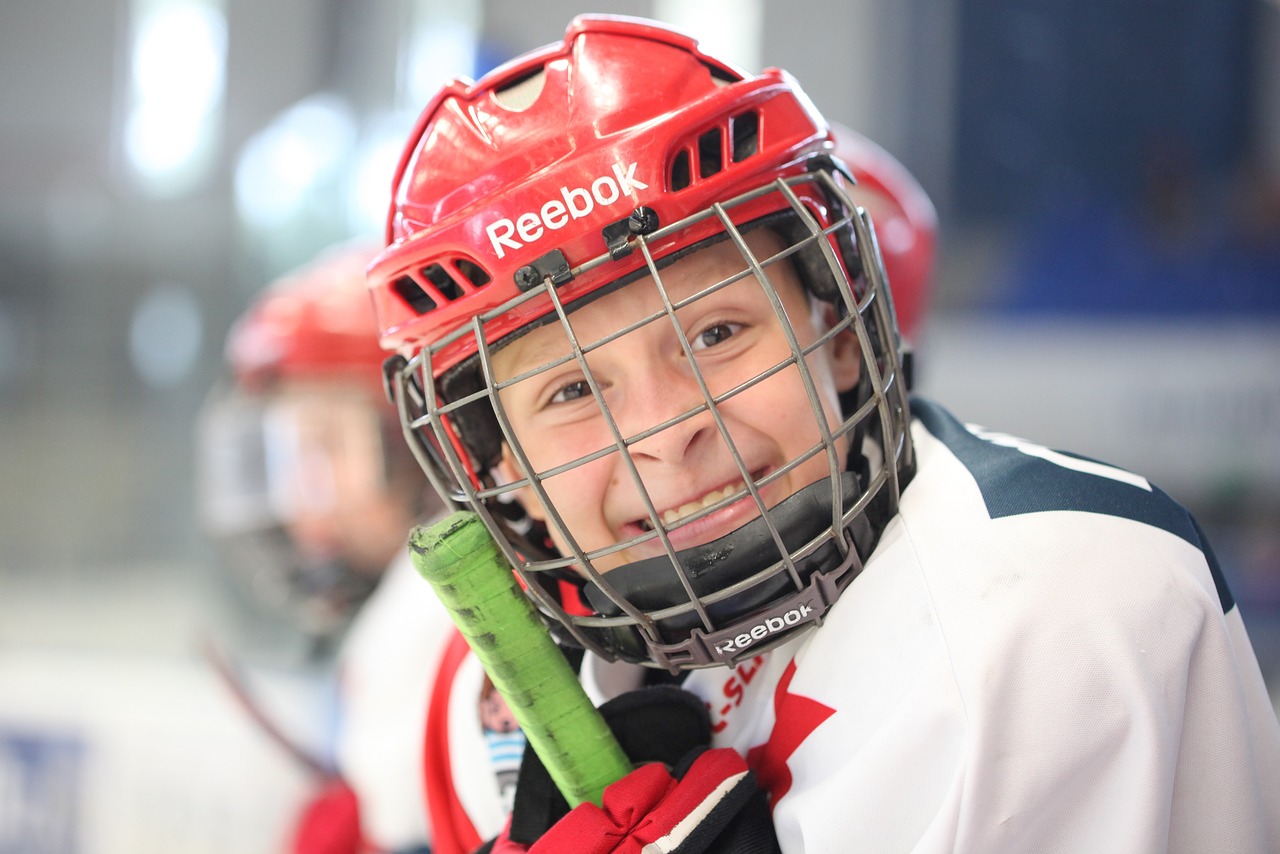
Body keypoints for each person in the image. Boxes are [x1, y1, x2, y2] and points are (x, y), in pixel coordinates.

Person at [366, 14, 1280, 854]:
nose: (666, 431)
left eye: (717, 334)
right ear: (500, 468)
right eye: (571, 390)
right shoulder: (503, 700)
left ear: (839, 334)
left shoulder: (1054, 600)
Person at [196, 242, 446, 853]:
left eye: (329, 447)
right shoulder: (386, 631)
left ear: (430, 441)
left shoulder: (431, 617)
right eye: (280, 458)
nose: (303, 506)